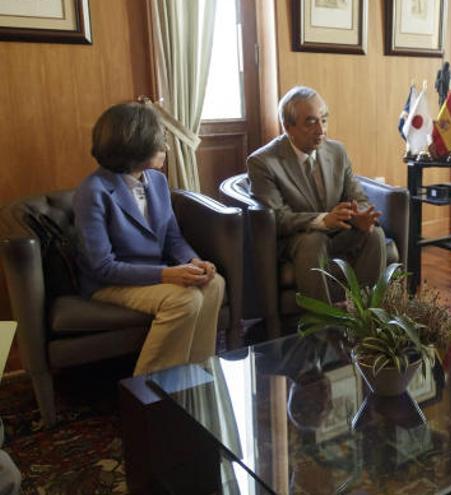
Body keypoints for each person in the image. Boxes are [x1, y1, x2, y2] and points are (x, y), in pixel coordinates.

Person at [74, 102, 225, 376]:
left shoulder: (157, 181)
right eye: (160, 143)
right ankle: (149, 388)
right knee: (184, 300)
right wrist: (167, 274)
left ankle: (198, 374)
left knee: (214, 284)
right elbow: (102, 266)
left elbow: (172, 238)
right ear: (135, 145)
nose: (166, 148)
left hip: (154, 275)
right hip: (109, 283)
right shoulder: (93, 191)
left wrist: (195, 261)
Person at [247, 86, 385, 302]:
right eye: (311, 122)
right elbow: (279, 218)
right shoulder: (263, 162)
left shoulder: (337, 151)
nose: (321, 130)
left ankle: (365, 317)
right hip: (295, 239)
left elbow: (357, 196)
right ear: (288, 127)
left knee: (374, 234)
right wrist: (323, 220)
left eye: (324, 120)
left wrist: (360, 215)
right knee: (313, 242)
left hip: (337, 234)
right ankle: (323, 329)